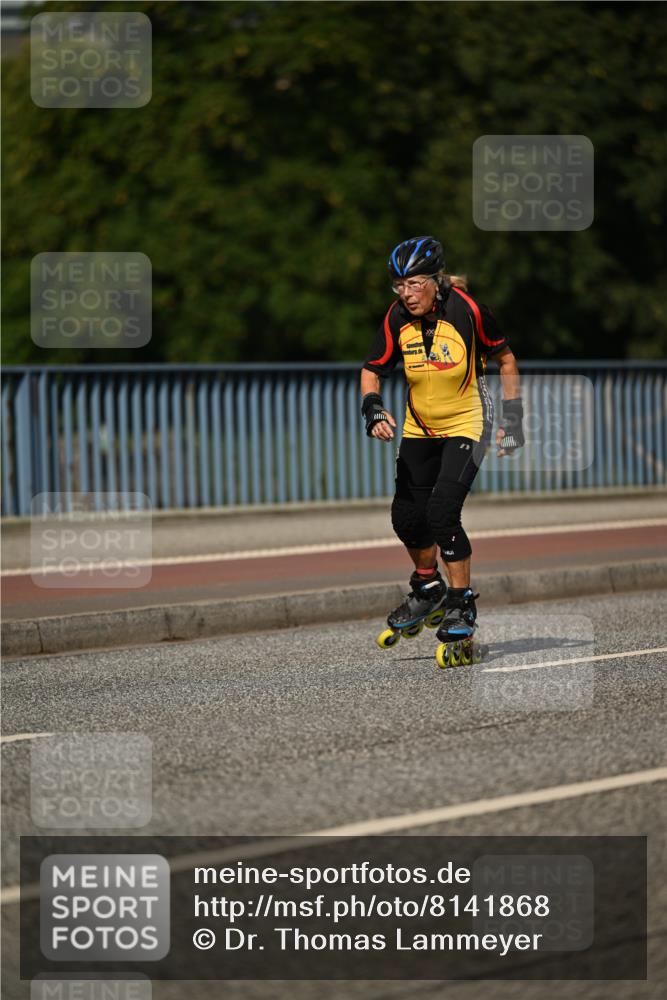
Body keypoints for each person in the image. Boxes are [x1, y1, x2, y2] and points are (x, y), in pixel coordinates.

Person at [360, 236, 523, 659]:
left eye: (414, 283)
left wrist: (514, 418)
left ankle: (460, 602)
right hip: (420, 424)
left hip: (469, 419)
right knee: (407, 517)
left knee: (442, 511)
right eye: (398, 285)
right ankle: (427, 584)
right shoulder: (396, 316)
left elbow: (506, 359)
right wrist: (373, 409)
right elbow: (371, 370)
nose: (406, 294)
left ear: (435, 280)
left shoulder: (467, 310)